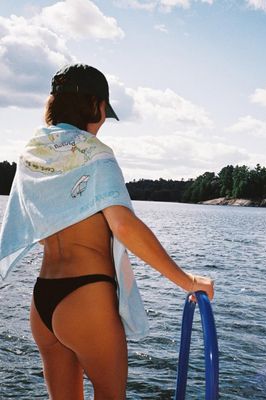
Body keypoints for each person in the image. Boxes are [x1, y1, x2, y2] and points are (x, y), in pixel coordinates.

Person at [0, 64, 214, 400]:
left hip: (43, 300)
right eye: (103, 112)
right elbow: (124, 226)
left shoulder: (32, 155)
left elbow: (39, 229)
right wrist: (186, 281)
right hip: (86, 297)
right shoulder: (97, 156)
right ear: (96, 105)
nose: (102, 123)